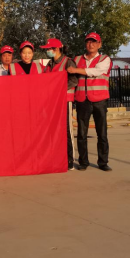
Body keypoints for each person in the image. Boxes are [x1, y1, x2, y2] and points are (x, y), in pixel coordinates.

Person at [67, 32, 113, 172]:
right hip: (82, 100)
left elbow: (96, 71)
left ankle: (103, 162)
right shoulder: (77, 59)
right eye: (88, 41)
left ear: (99, 44)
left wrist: (75, 70)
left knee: (102, 133)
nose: (91, 44)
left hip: (100, 100)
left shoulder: (105, 59)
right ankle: (83, 161)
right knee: (82, 134)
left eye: (94, 42)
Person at [41, 38, 78, 170]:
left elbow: (74, 81)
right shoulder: (49, 64)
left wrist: (58, 88)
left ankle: (70, 160)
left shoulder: (68, 62)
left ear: (56, 49)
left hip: (65, 100)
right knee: (53, 130)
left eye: (48, 49)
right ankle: (57, 157)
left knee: (67, 130)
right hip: (52, 102)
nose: (47, 51)